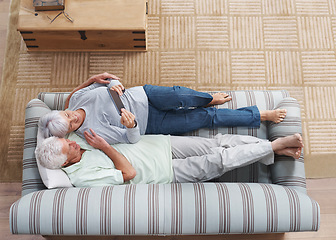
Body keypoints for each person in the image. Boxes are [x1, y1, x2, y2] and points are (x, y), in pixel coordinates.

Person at [37, 72, 287, 145]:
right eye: (70, 121)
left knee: (182, 95)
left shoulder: (77, 98)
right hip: (151, 124)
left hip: (144, 95)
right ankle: (260, 115)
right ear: (70, 130)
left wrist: (116, 85)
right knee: (201, 119)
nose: (72, 115)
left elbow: (109, 80)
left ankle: (207, 98)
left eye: (65, 113)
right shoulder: (92, 135)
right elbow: (131, 139)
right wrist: (131, 125)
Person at [35, 129, 303, 186]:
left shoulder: (75, 140)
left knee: (217, 143)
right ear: (67, 162)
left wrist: (91, 81)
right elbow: (129, 174)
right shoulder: (82, 176)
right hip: (167, 172)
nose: (72, 142)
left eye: (66, 139)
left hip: (161, 144)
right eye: (68, 146)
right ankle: (276, 145)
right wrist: (105, 147)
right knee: (220, 160)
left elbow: (69, 112)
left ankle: (273, 149)